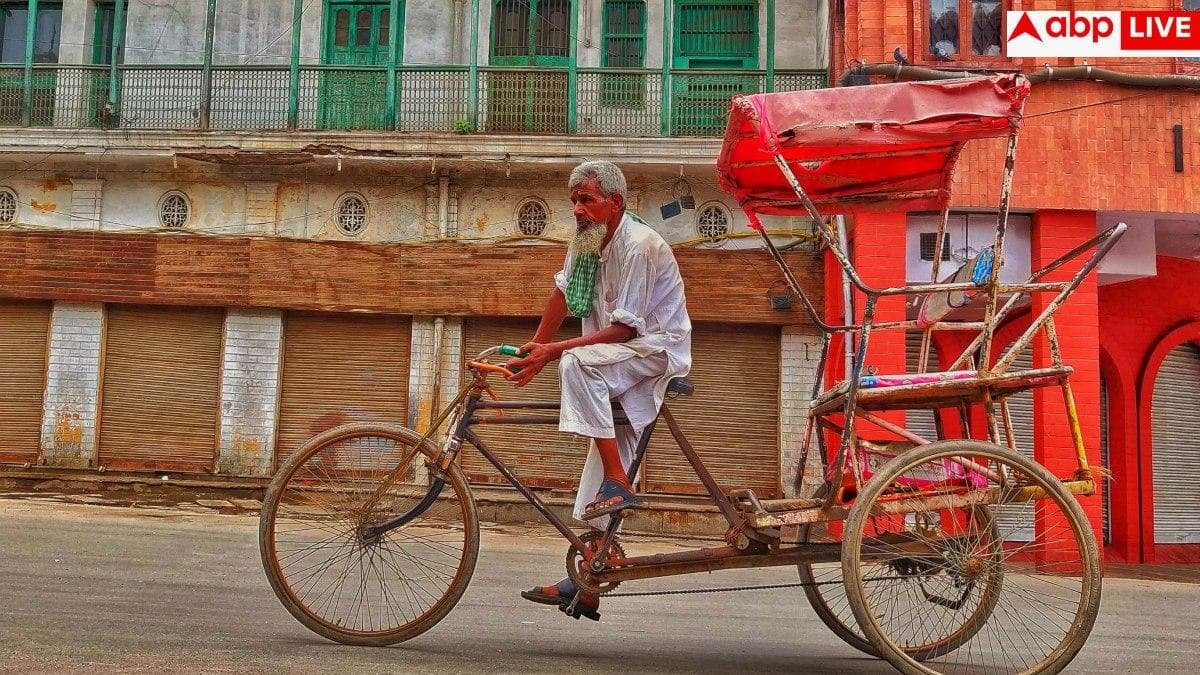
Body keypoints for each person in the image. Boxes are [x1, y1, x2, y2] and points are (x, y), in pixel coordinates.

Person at [506, 160, 692, 621]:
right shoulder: (588, 242)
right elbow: (561, 293)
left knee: (575, 364)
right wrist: (536, 347)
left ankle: (619, 482)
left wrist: (554, 352)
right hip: (617, 359)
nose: (578, 209)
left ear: (616, 203)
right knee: (601, 455)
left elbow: (625, 332)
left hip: (654, 348)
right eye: (574, 200)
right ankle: (589, 579)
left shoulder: (640, 245)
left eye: (586, 199)